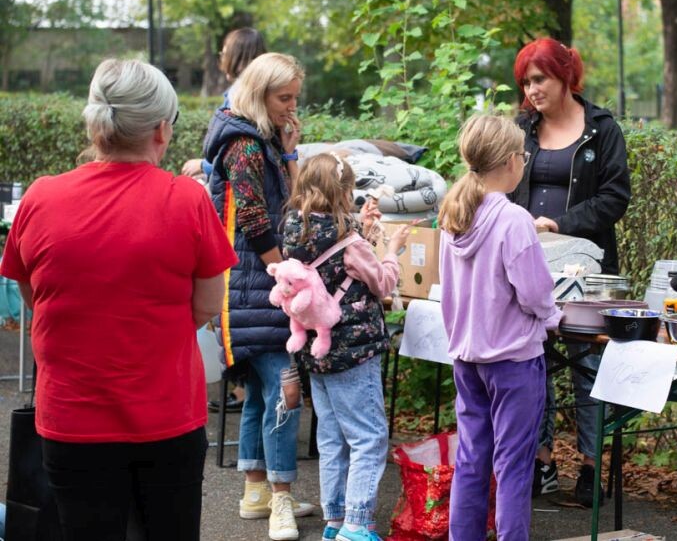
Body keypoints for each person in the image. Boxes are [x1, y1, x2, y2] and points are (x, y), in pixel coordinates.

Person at [0, 59, 238, 541]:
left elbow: (34, 294)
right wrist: (152, 326)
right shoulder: (186, 200)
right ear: (160, 129)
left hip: (71, 419)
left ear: (96, 123)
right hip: (167, 415)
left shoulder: (41, 198)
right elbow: (208, 304)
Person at [508, 37, 631, 505]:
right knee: (531, 363)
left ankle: (590, 469)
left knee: (587, 366)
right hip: (528, 267)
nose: (531, 89)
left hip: (585, 269)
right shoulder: (522, 128)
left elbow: (614, 198)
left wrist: (560, 222)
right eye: (525, 81)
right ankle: (542, 464)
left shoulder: (601, 128)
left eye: (539, 78)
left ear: (564, 75)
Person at [202, 52, 315, 541]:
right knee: (287, 389)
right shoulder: (245, 146)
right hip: (256, 285)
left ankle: (256, 493)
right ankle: (282, 500)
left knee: (260, 395)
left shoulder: (254, 137)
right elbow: (253, 219)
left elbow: (285, 202)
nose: (291, 107)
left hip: (245, 285)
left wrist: (289, 151)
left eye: (294, 97)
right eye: (283, 97)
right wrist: (285, 275)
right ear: (259, 92)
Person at [439, 115, 562, 540]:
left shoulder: (454, 215)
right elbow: (535, 294)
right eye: (524, 157)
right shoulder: (513, 221)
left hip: (466, 358)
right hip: (512, 361)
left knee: (472, 459)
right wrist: (554, 316)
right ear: (511, 161)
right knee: (513, 464)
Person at [282, 154, 411, 541]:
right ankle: (357, 524)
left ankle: (335, 519)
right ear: (343, 192)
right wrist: (393, 251)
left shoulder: (294, 230)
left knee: (332, 437)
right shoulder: (349, 241)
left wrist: (362, 229)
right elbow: (382, 283)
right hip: (353, 349)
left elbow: (334, 264)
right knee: (368, 437)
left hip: (316, 352)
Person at [182, 27, 268, 179]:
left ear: (238, 59)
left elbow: (239, 156)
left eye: (224, 54)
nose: (222, 59)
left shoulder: (241, 98)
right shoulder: (259, 92)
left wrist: (203, 166)